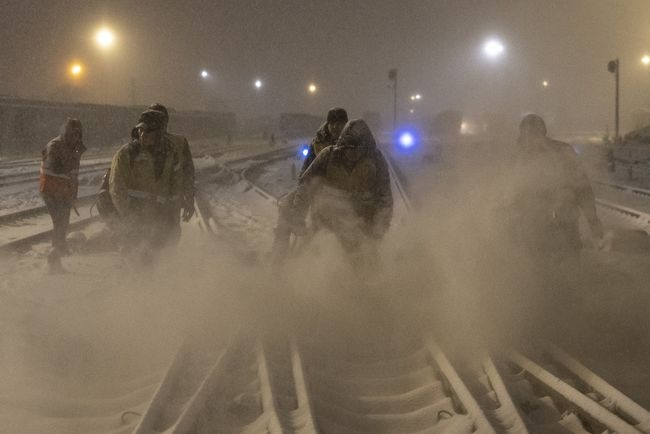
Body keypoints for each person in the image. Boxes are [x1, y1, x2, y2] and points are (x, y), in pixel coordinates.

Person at [277, 119, 393, 265]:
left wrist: (379, 229)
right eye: (349, 148)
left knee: (366, 263)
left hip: (364, 220)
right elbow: (306, 184)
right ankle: (285, 267)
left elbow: (385, 197)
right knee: (308, 254)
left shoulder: (376, 160)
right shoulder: (328, 156)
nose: (353, 154)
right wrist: (299, 215)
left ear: (366, 149)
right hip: (329, 215)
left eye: (358, 149)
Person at [506, 114, 603, 263]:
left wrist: (594, 223)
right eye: (529, 135)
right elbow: (508, 193)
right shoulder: (517, 157)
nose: (533, 140)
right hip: (534, 233)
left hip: (561, 229)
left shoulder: (562, 153)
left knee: (562, 271)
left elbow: (583, 189)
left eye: (535, 134)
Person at [109, 109, 182, 260]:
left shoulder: (171, 154)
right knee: (137, 255)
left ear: (160, 133)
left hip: (159, 215)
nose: (143, 134)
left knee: (153, 255)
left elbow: (176, 187)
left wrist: (174, 217)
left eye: (149, 131)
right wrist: (129, 216)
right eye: (140, 130)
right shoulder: (126, 154)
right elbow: (117, 187)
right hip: (134, 213)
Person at [39, 118, 86, 272]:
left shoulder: (76, 148)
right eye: (73, 134)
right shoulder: (55, 146)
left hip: (64, 191)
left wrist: (72, 194)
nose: (76, 138)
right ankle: (55, 255)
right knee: (60, 221)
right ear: (66, 133)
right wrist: (66, 186)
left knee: (63, 221)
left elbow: (74, 174)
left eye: (78, 135)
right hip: (51, 191)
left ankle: (60, 249)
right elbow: (53, 169)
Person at [148, 103, 196, 235]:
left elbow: (188, 173)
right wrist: (189, 199)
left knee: (156, 236)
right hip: (168, 201)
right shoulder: (180, 142)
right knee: (168, 236)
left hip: (155, 202)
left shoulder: (140, 142)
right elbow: (188, 173)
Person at [300, 107, 348, 176]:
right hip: (323, 185)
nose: (335, 127)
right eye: (332, 123)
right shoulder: (317, 144)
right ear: (327, 124)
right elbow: (306, 170)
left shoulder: (354, 143)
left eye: (338, 124)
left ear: (345, 124)